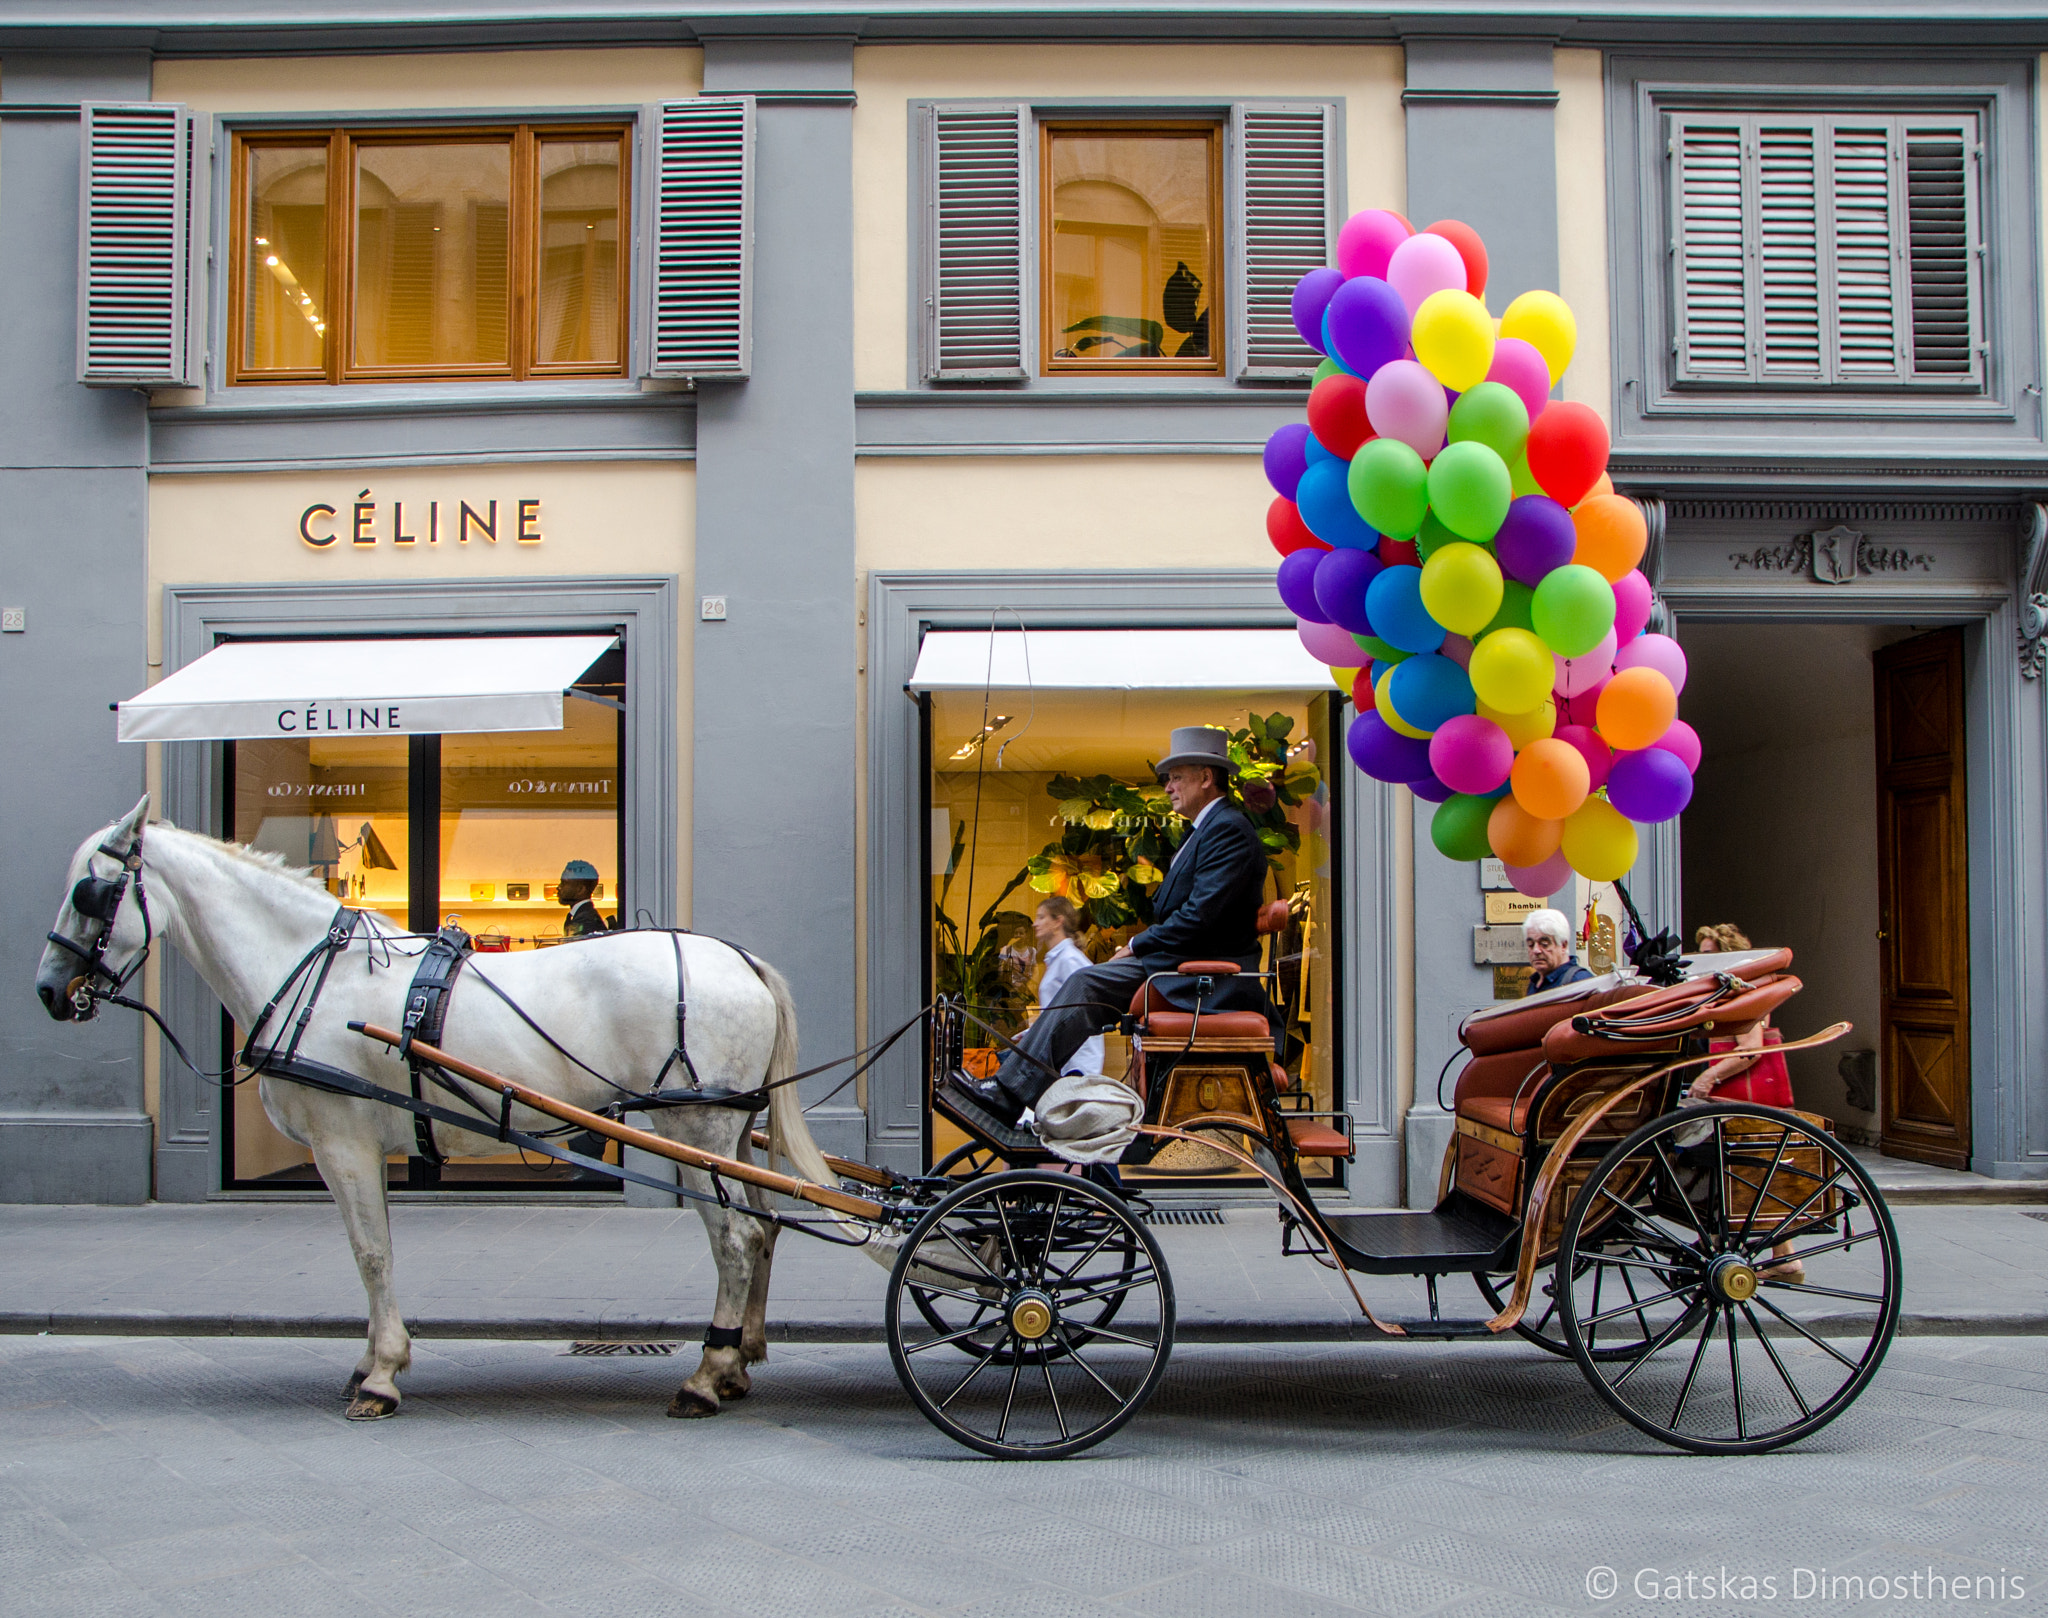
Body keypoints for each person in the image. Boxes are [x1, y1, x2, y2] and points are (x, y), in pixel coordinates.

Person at [946, 726, 1269, 1128]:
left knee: (1086, 983)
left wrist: (1136, 944)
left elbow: (1200, 918)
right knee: (1086, 983)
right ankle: (1012, 1080)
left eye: (1176, 777)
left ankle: (1011, 1093)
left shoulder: (1227, 830)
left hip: (1202, 973)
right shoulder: (1206, 830)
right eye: (1168, 779)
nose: (1168, 786)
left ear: (1206, 778)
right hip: (1184, 960)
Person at [1685, 923, 1804, 1281]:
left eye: (1708, 954)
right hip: (1735, 1099)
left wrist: (1708, 1077)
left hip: (1746, 1098)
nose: (1700, 961)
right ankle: (1734, 1245)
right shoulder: (1726, 993)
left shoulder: (1742, 993)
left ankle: (1784, 1258)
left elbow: (1750, 1050)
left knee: (1751, 1169)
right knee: (1738, 1169)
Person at [1032, 895, 1105, 1080]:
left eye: (1041, 917)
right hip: (1065, 1060)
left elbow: (1085, 1009)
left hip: (1076, 1062)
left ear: (1058, 922)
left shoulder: (1070, 959)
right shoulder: (1060, 960)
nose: (1035, 923)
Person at [1523, 908, 1594, 995]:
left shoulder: (1580, 981)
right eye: (1531, 944)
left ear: (1563, 945)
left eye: (1544, 944)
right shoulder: (1535, 982)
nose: (1536, 950)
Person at [558, 859, 616, 938]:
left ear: (580, 890)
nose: (559, 887)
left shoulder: (586, 921)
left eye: (564, 883)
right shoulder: (582, 916)